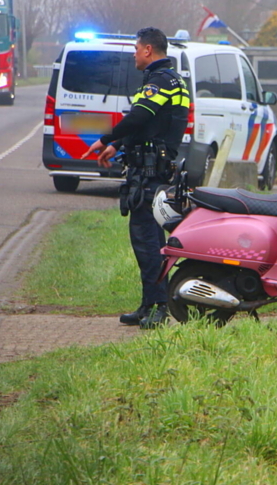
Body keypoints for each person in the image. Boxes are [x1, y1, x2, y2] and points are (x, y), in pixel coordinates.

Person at [83, 27, 190, 329]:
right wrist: (118, 145)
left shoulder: (161, 82)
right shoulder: (166, 80)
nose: (133, 54)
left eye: (135, 48)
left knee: (149, 242)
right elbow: (147, 127)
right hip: (148, 172)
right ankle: (149, 303)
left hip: (151, 175)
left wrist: (106, 138)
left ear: (147, 50)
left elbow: (139, 118)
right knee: (146, 242)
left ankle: (159, 307)